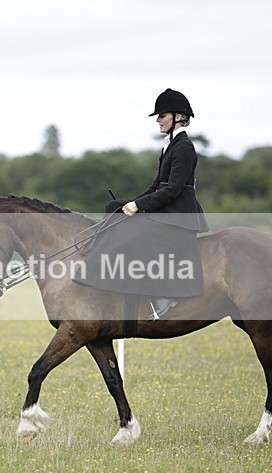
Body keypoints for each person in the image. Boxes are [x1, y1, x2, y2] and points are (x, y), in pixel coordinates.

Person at [73, 88, 209, 320]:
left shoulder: (184, 147)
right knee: (113, 206)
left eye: (162, 116)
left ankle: (164, 295)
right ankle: (98, 269)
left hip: (179, 213)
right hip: (167, 208)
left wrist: (139, 207)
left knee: (135, 231)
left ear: (178, 117)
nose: (158, 120)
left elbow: (173, 189)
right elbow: (156, 185)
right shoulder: (170, 145)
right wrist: (131, 203)